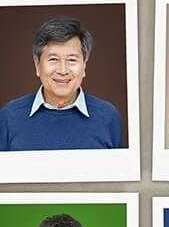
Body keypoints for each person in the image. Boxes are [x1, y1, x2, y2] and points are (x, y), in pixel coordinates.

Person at [0, 17, 122, 151]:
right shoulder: (9, 116)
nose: (62, 70)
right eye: (53, 59)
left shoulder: (108, 116)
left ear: (84, 65)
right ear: (37, 65)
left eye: (71, 60)